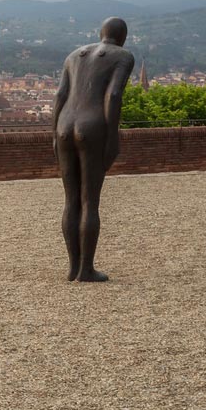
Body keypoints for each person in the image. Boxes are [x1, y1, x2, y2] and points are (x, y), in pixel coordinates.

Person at [52, 17, 135, 282]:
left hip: (64, 124)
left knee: (71, 200)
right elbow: (113, 96)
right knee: (90, 201)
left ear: (101, 33)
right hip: (93, 125)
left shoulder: (74, 55)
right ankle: (86, 269)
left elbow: (59, 97)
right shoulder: (122, 56)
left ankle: (72, 267)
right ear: (122, 36)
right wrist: (112, 137)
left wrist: (55, 134)